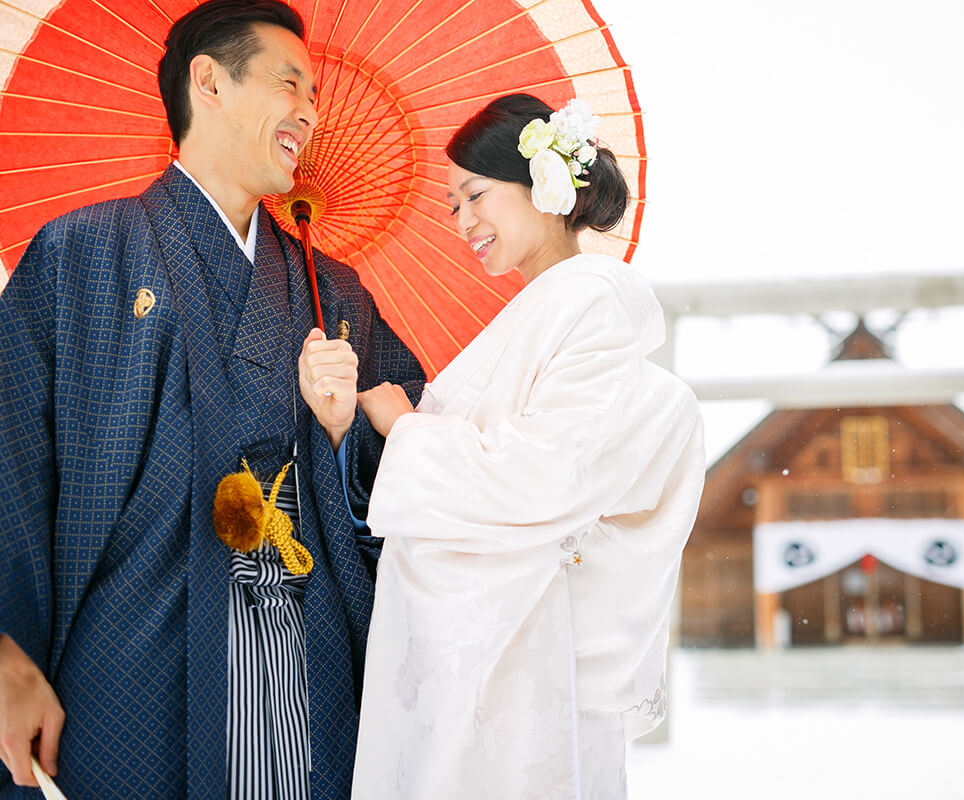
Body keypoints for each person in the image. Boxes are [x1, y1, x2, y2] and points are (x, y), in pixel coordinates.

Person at [0, 2, 424, 798]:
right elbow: (8, 459)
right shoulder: (82, 254)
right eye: (290, 82)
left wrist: (345, 437)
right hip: (127, 674)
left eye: (315, 94)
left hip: (307, 666)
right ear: (210, 82)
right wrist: (2, 655)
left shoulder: (333, 292)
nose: (310, 110)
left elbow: (421, 462)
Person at [305, 93, 705, 799]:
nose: (463, 222)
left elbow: (542, 477)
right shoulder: (544, 306)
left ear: (544, 188)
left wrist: (405, 429)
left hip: (524, 655)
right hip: (483, 653)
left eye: (475, 196)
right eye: (453, 205)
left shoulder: (590, 302)